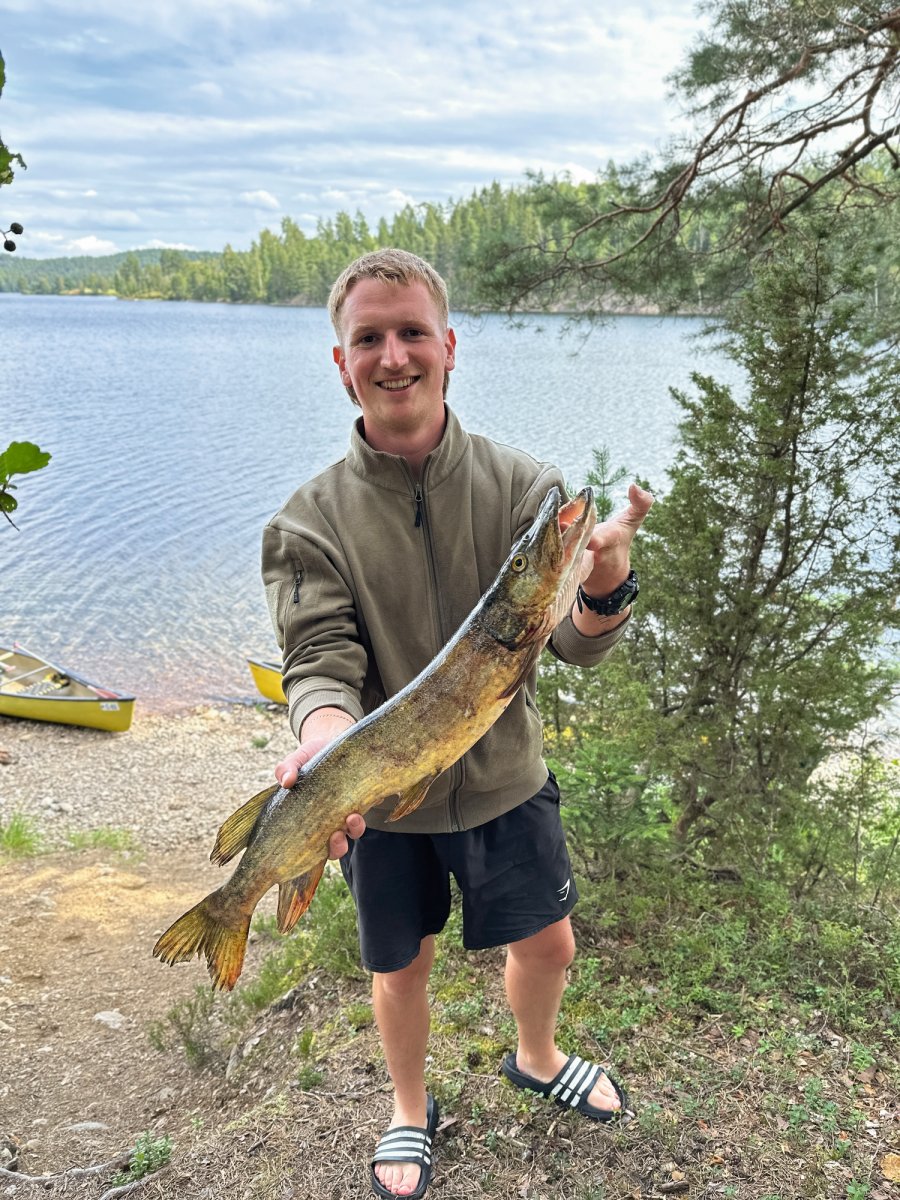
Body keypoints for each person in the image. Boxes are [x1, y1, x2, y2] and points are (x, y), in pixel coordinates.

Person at [262, 249, 652, 1200]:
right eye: (369, 338)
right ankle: (409, 1107)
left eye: (412, 333)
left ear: (449, 346)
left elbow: (575, 644)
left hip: (506, 778)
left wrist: (603, 586)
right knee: (401, 969)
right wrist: (323, 737)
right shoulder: (306, 523)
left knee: (549, 944)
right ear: (342, 362)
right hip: (382, 798)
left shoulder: (527, 490)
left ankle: (537, 1055)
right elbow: (319, 661)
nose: (393, 355)